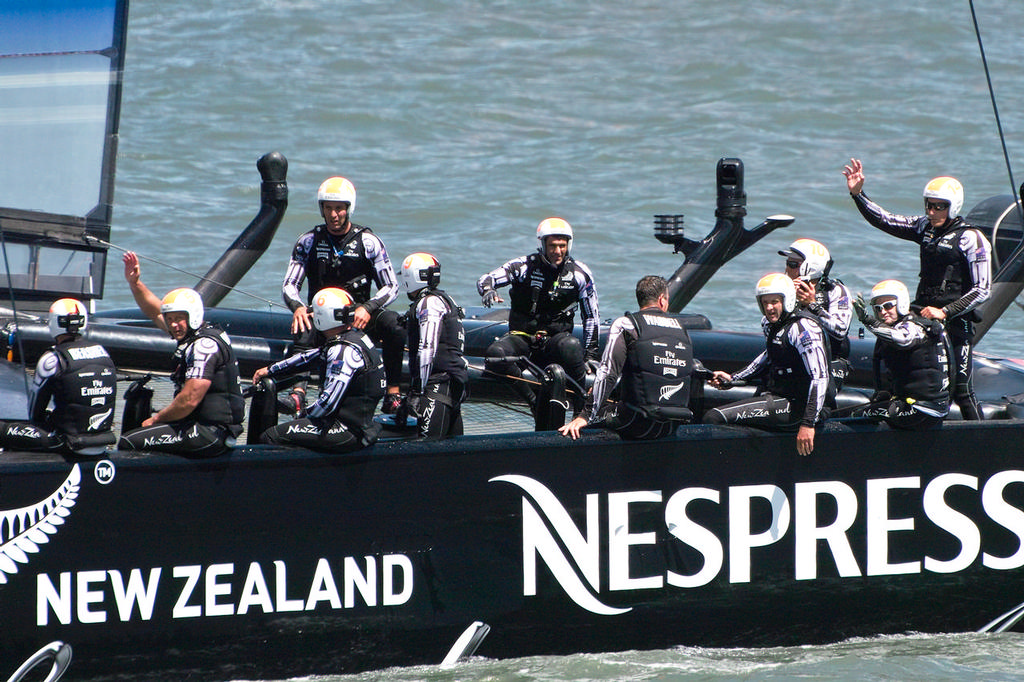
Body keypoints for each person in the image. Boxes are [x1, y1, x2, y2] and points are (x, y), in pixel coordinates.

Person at [842, 159, 991, 419]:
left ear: (952, 207)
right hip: (921, 314)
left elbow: (983, 289)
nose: (932, 212)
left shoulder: (971, 238)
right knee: (890, 353)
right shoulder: (923, 227)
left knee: (962, 390)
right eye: (929, 206)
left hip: (955, 321)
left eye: (939, 207)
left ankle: (984, 447)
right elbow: (885, 220)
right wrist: (858, 195)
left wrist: (945, 311)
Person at [281, 176, 405, 415]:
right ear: (322, 209)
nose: (334, 214)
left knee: (395, 325)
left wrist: (368, 308)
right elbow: (289, 284)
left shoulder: (369, 242)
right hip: (321, 318)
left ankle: (393, 394)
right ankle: (298, 393)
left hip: (357, 317)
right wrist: (297, 307)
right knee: (302, 322)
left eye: (339, 208)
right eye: (328, 208)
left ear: (349, 208)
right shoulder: (308, 242)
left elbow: (391, 286)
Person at [120, 252, 245, 457]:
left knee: (129, 442)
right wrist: (135, 283)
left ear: (193, 316)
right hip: (199, 426)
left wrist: (157, 418)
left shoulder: (204, 345)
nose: (173, 324)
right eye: (170, 319)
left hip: (211, 432)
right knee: (144, 433)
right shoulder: (190, 335)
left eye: (179, 318)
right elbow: (154, 311)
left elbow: (189, 399)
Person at [559, 275, 709, 441]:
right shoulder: (682, 330)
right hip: (673, 424)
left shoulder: (626, 324)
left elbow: (608, 372)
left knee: (585, 417)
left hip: (637, 422)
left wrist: (585, 416)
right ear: (661, 300)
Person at [476, 217, 599, 416]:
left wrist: (591, 355)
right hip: (522, 338)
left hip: (555, 342)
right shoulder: (524, 266)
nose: (557, 251)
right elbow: (486, 279)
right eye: (552, 246)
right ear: (542, 245)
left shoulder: (580, 273)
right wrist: (488, 290)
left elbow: (591, 316)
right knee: (495, 355)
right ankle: (533, 402)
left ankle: (580, 411)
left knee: (572, 346)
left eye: (562, 246)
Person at [705, 273, 832, 456]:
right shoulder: (772, 325)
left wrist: (808, 423)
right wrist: (732, 379)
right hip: (782, 397)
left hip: (800, 407)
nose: (769, 308)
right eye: (765, 303)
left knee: (714, 417)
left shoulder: (803, 328)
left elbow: (819, 377)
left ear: (787, 300)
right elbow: (768, 356)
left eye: (774, 302)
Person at [252, 287, 385, 452]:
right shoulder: (352, 339)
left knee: (270, 436)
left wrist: (300, 417)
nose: (312, 316)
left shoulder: (342, 351)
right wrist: (270, 370)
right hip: (355, 424)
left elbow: (327, 404)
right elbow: (307, 358)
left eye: (315, 312)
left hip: (348, 430)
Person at [0, 299, 116, 456]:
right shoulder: (103, 352)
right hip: (102, 442)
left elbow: (35, 413)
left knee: (4, 430)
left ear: (54, 323)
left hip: (67, 443)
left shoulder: (52, 358)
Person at [852, 279, 952, 430]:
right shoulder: (901, 326)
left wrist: (868, 321)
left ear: (902, 303)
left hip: (923, 410)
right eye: (878, 308)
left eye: (888, 306)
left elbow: (902, 339)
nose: (882, 312)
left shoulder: (915, 327)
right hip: (916, 407)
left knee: (858, 416)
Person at [399, 253, 468, 440]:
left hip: (438, 384)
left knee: (427, 449)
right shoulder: (445, 299)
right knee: (453, 449)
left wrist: (416, 391)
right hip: (452, 384)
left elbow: (427, 348)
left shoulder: (429, 303)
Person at [778, 238, 853, 396]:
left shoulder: (835, 290)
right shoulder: (785, 289)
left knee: (818, 391)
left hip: (831, 359)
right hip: (796, 357)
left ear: (809, 267)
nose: (787, 269)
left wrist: (812, 305)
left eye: (792, 264)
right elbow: (770, 328)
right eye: (787, 263)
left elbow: (840, 330)